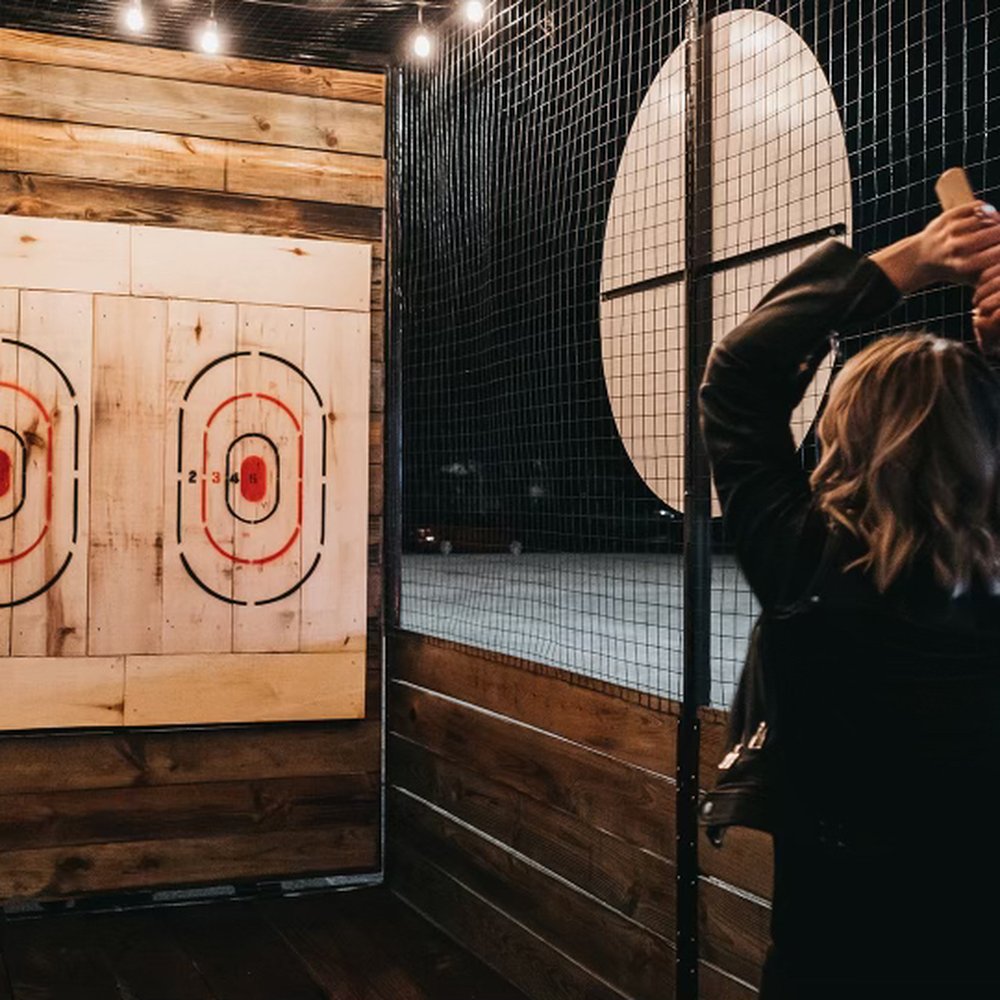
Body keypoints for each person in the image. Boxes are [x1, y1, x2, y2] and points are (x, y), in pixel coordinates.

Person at [699, 201, 1000, 998]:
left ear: (848, 437)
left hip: (832, 950)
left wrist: (909, 261)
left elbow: (737, 376)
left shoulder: (806, 564)